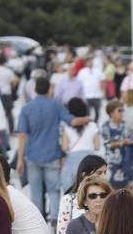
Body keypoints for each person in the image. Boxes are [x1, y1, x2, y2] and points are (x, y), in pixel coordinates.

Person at [16, 76, 92, 220]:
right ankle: (55, 219)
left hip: (32, 155)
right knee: (53, 190)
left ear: (35, 89)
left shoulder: (26, 109)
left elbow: (22, 135)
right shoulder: (56, 105)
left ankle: (39, 220)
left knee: (36, 191)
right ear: (49, 89)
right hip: (52, 155)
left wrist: (20, 159)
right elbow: (73, 121)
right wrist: (88, 119)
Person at [56, 154, 108, 234]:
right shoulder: (69, 200)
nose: (103, 177)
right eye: (99, 173)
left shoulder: (107, 197)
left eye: (105, 172)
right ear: (85, 175)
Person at [102, 99, 133, 190]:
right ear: (111, 113)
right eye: (119, 111)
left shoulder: (126, 126)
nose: (122, 113)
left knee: (129, 191)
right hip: (112, 164)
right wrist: (123, 142)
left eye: (122, 110)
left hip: (127, 163)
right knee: (111, 192)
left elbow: (132, 140)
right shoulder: (105, 127)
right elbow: (108, 144)